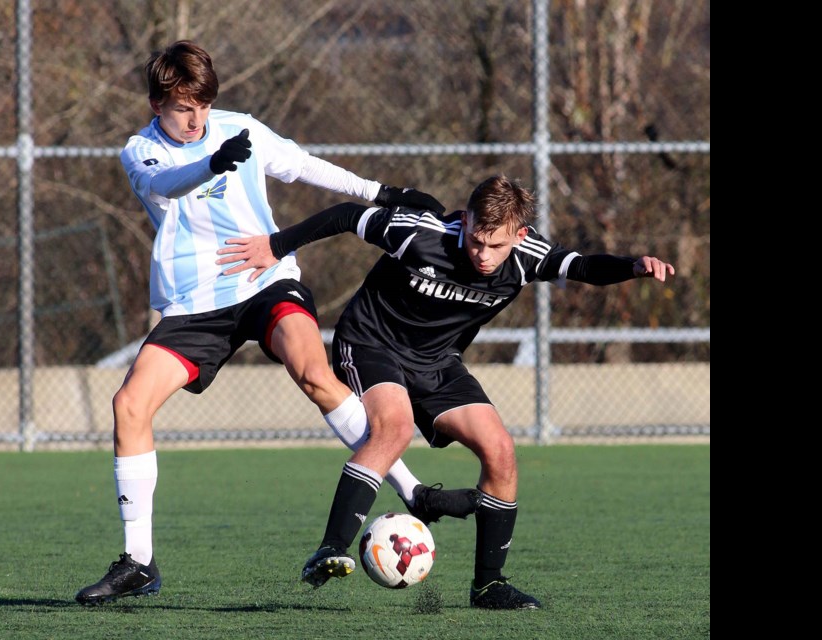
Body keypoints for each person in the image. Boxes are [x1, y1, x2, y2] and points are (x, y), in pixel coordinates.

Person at [74, 40, 478, 606]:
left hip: (265, 279)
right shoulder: (140, 151)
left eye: (204, 106)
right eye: (183, 108)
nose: (197, 119)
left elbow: (304, 167)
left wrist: (384, 194)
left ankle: (412, 491)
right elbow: (167, 184)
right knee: (128, 405)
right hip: (195, 300)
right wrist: (211, 164)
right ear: (155, 103)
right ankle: (138, 562)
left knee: (313, 371)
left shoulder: (241, 128)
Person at [217, 174, 676, 609]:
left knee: (500, 450)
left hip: (437, 363)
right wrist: (276, 246)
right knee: (393, 428)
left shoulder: (527, 255)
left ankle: (489, 584)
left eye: (495, 244)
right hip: (372, 342)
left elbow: (583, 266)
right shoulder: (423, 233)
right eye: (476, 237)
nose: (482, 252)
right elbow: (344, 215)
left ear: (519, 235)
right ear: (468, 219)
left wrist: (633, 267)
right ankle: (330, 549)